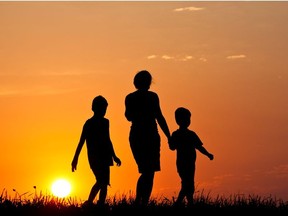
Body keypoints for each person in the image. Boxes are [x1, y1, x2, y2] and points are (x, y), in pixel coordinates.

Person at [124, 70, 171, 206]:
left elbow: (128, 116)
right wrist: (168, 136)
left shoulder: (130, 97)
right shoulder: (152, 97)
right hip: (148, 134)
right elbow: (159, 117)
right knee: (148, 172)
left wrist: (168, 135)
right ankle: (140, 201)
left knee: (147, 171)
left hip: (140, 135)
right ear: (149, 82)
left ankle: (142, 202)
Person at [71, 95, 121, 206]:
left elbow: (108, 140)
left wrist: (114, 156)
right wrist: (75, 158)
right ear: (94, 108)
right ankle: (89, 202)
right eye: (101, 109)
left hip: (105, 156)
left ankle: (101, 204)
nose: (103, 111)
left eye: (105, 109)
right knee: (100, 181)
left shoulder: (106, 122)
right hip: (94, 157)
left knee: (104, 183)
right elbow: (81, 142)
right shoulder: (88, 123)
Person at [169, 107, 214, 207]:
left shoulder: (191, 134)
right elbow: (172, 147)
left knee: (189, 184)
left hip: (191, 163)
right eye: (184, 119)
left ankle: (190, 203)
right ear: (178, 120)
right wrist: (170, 140)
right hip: (182, 163)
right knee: (187, 183)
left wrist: (208, 154)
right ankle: (179, 203)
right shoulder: (176, 134)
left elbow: (199, 147)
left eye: (188, 119)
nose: (187, 121)